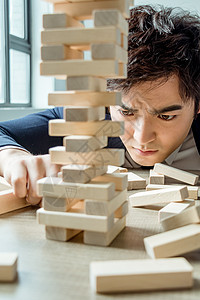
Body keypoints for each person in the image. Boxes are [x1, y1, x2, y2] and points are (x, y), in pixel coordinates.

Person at [0, 5, 200, 205]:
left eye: (166, 116)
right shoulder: (92, 120)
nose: (142, 138)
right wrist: (12, 158)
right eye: (126, 112)